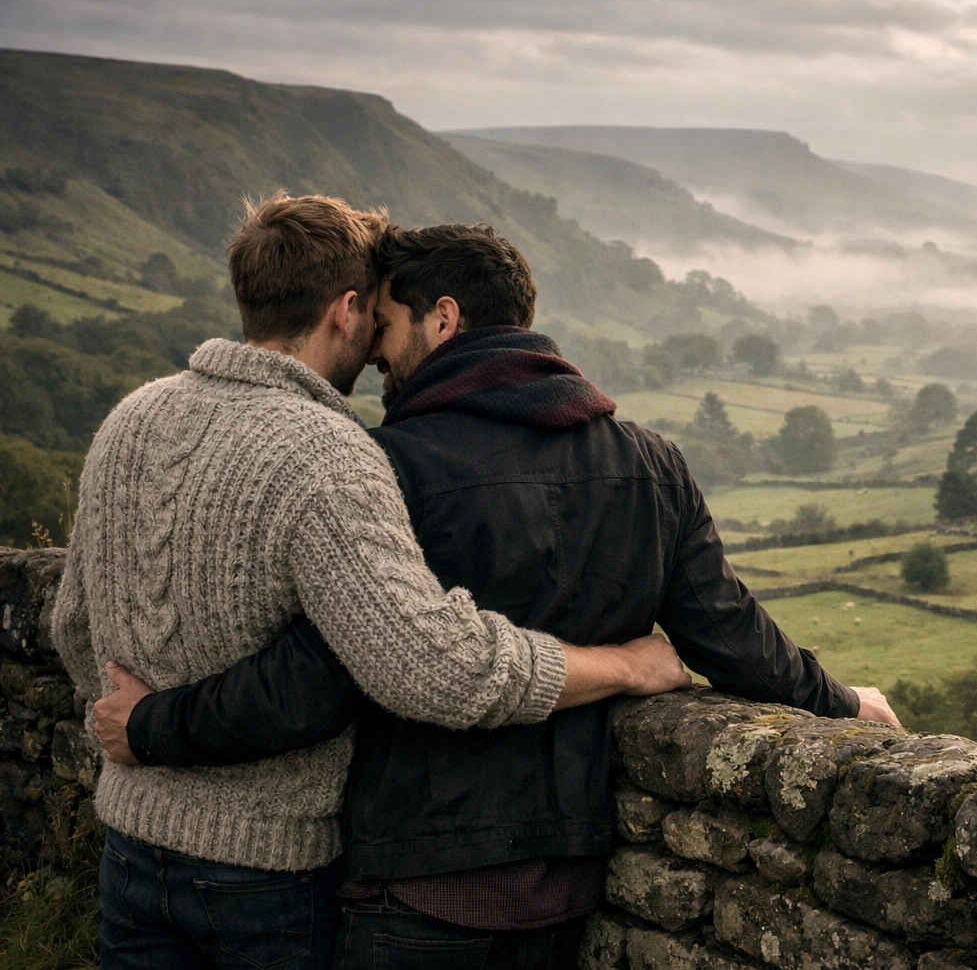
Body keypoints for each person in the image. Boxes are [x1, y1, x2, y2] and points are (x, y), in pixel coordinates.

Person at [92, 221, 899, 968]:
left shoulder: (391, 465)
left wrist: (153, 723)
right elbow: (730, 633)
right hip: (568, 877)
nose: (374, 353)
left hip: (411, 878)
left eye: (388, 324)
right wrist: (840, 704)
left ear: (442, 319)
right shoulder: (652, 462)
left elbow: (316, 678)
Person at [53, 195, 691, 970]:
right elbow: (434, 669)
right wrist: (625, 665)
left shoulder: (131, 416)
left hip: (130, 841)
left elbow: (74, 624)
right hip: (268, 868)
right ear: (347, 309)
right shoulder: (330, 452)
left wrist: (138, 730)